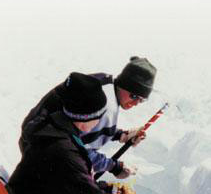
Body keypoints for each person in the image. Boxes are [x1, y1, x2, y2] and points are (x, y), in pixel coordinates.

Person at [8, 72, 139, 194]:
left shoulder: (55, 130)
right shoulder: (63, 152)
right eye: (100, 116)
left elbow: (69, 183)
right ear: (86, 118)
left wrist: (106, 188)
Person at [18, 56, 157, 180]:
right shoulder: (105, 104)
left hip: (34, 136)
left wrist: (122, 135)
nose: (135, 103)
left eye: (141, 100)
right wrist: (114, 166)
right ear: (123, 84)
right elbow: (78, 151)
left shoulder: (103, 84)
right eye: (134, 96)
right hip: (42, 150)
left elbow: (85, 131)